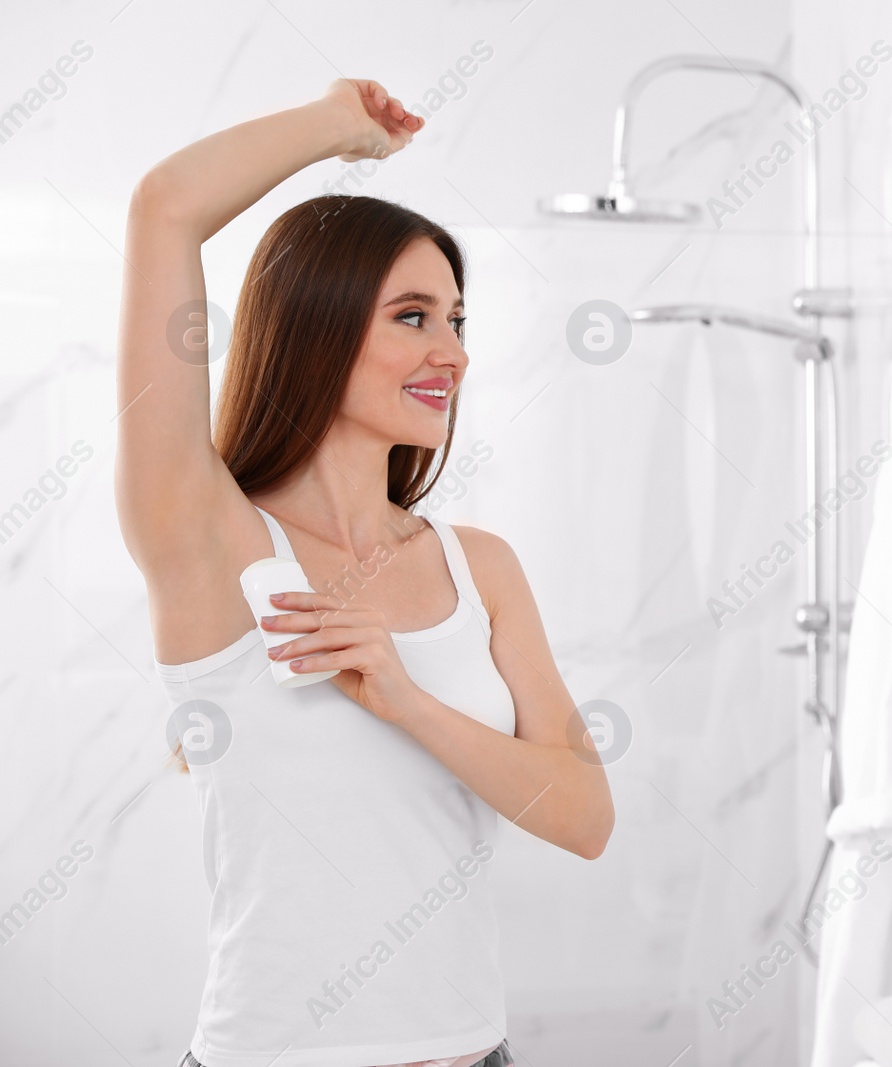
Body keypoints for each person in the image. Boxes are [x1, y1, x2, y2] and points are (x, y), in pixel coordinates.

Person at [115, 78, 614, 1067]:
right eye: (415, 316)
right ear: (321, 323)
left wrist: (408, 699)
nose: (453, 353)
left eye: (459, 321)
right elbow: (162, 207)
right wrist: (332, 128)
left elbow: (585, 813)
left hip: (478, 1052)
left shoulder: (481, 567)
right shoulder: (212, 543)